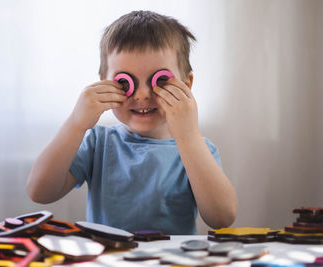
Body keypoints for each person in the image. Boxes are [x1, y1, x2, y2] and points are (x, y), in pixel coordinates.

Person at [27, 10, 237, 234]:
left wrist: (188, 137)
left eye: (161, 80)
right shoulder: (99, 143)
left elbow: (222, 217)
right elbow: (40, 192)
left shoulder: (197, 149)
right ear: (104, 85)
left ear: (187, 85)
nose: (142, 95)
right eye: (125, 83)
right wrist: (76, 123)